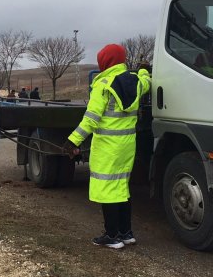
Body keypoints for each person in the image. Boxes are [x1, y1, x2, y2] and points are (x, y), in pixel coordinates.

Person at [63, 43, 150, 249]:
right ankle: (126, 233)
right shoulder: (136, 81)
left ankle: (111, 236)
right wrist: (144, 68)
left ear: (105, 62)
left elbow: (91, 119)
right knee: (121, 188)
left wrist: (72, 141)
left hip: (107, 147)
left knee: (107, 190)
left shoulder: (102, 85)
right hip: (127, 145)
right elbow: (147, 80)